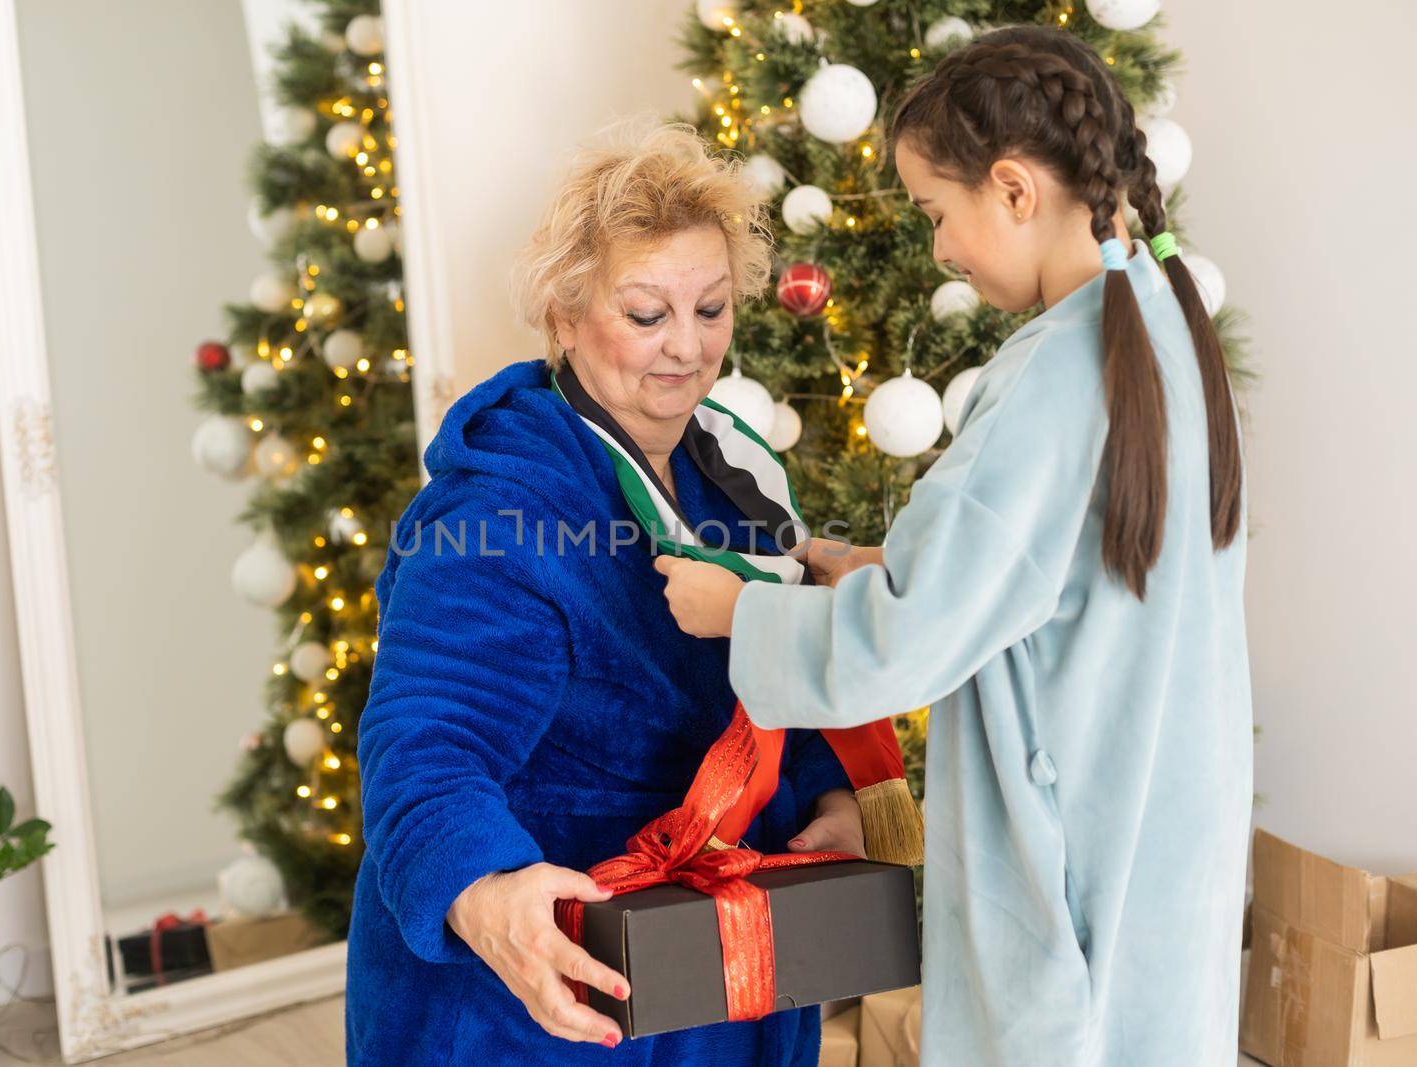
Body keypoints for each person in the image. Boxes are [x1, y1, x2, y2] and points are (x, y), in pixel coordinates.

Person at [656, 27, 1252, 1066]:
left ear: (1013, 189)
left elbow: (902, 646)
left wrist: (737, 611)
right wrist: (888, 565)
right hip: (1156, 823)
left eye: (938, 213)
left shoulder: (1051, 380)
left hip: (1065, 853)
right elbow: (1056, 576)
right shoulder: (1162, 328)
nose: (937, 248)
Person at [345, 119, 864, 1065]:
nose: (686, 349)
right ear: (564, 312)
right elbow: (423, 745)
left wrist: (829, 794)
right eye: (645, 314)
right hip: (552, 989)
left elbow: (775, 666)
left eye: (711, 310)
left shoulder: (734, 479)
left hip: (723, 967)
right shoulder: (493, 512)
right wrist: (485, 889)